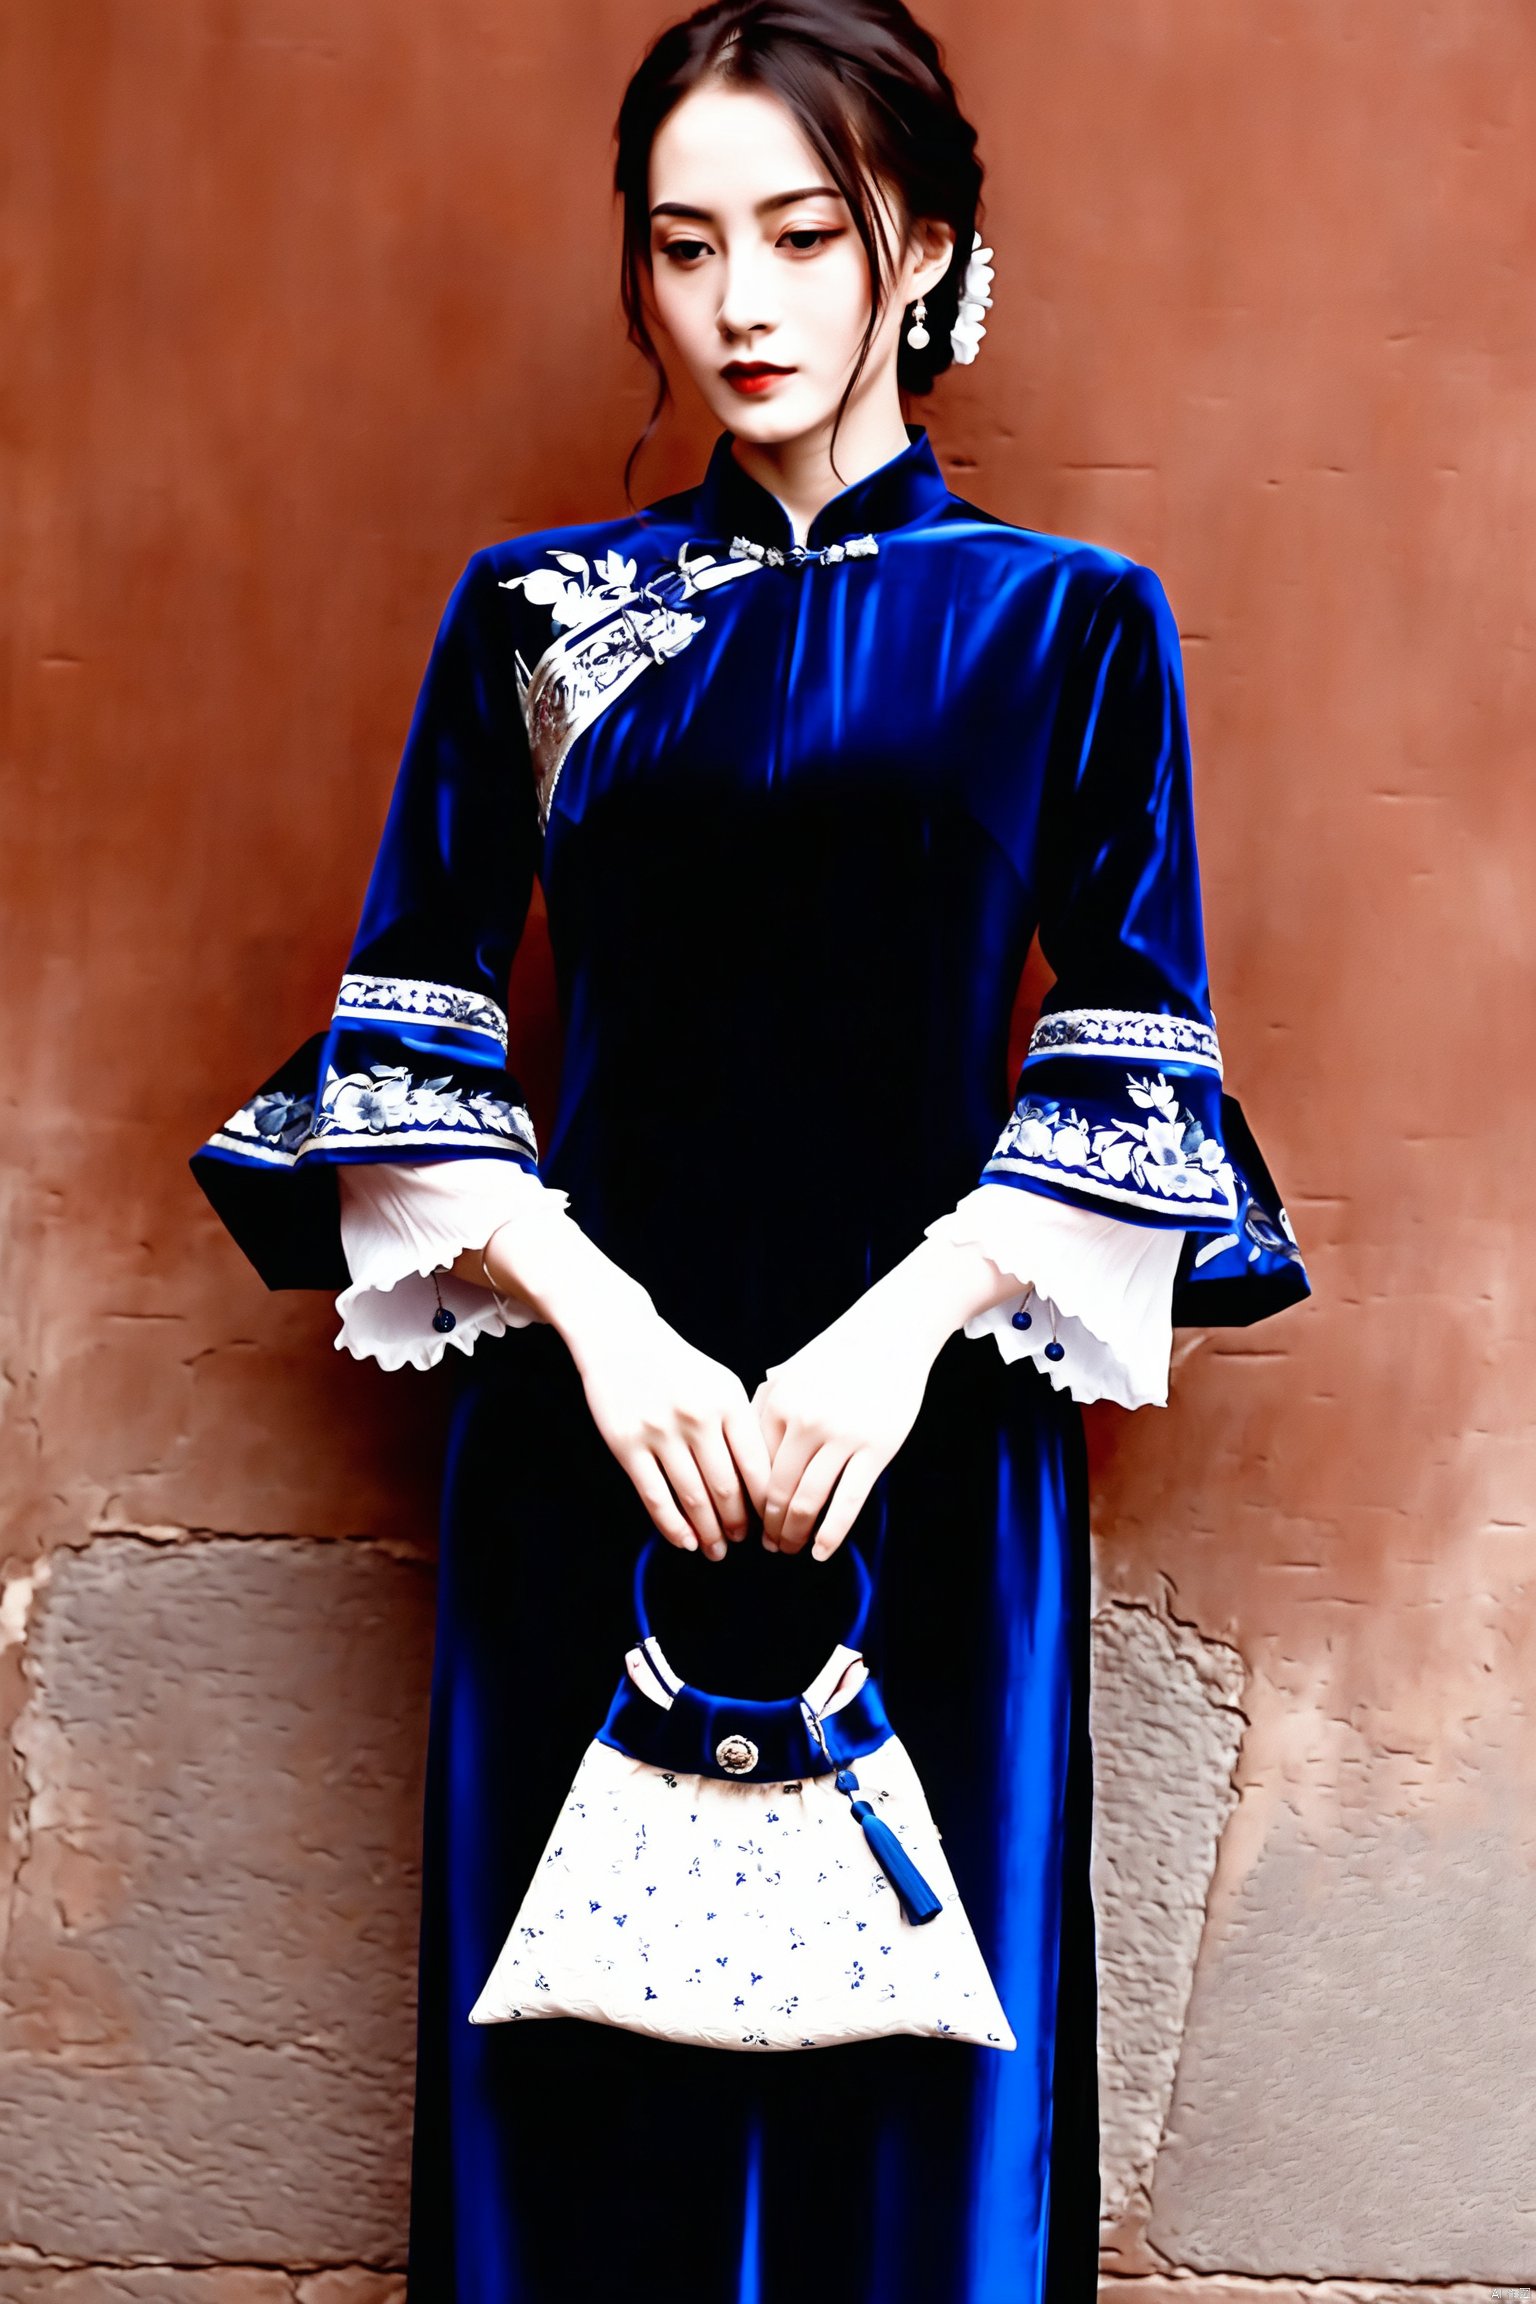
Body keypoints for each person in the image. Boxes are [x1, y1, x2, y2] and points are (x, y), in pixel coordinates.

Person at [191, 2, 1309, 2296]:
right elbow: (411, 1034)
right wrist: (605, 1334)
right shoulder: (535, 619)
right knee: (572, 2128)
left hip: (930, 1448)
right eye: (690, 246)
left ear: (925, 248)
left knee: (925, 2130)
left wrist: (894, 1343)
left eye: (806, 234)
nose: (746, 303)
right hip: (594, 1444)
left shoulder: (1069, 629)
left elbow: (1130, 1045)